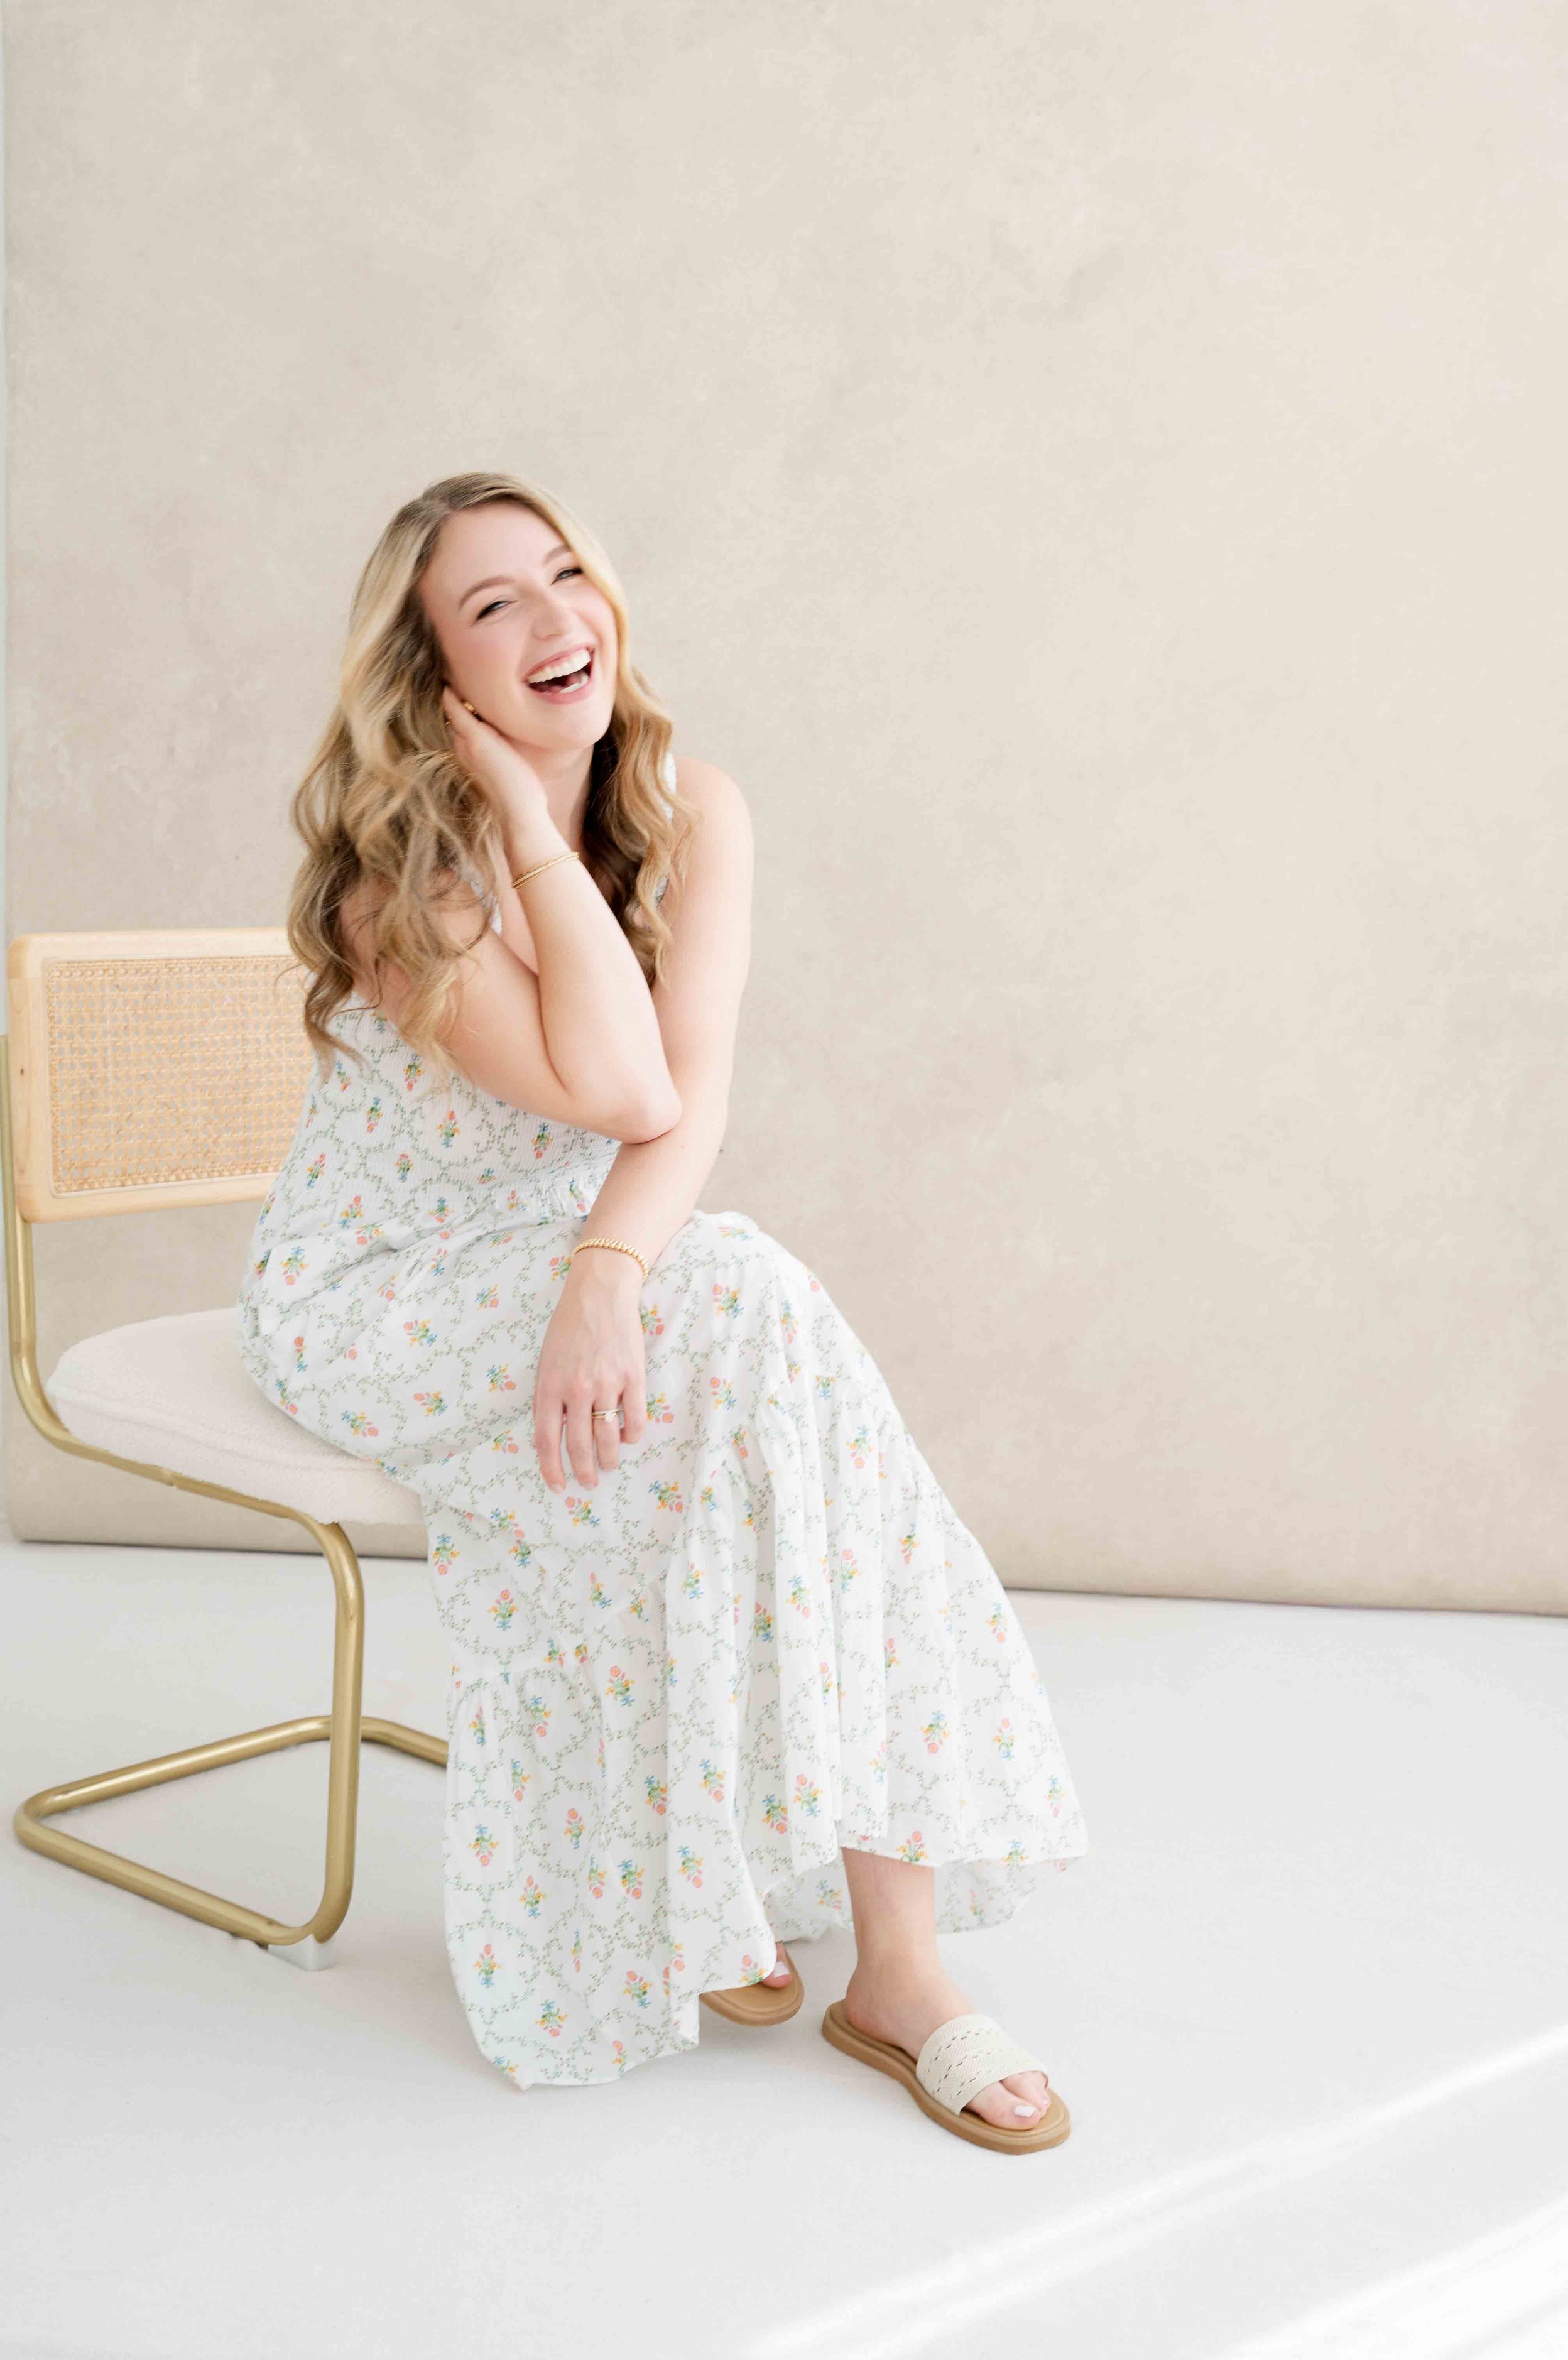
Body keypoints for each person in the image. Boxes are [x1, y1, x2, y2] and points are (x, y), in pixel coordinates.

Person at [237, 469, 1089, 2152]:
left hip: (579, 1252)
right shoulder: (394, 880)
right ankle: (819, 1938)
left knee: (772, 1359)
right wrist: (529, 831)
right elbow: (624, 1085)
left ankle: (869, 1951)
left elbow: (691, 1109)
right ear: (437, 682)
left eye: (567, 577)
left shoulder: (696, 803)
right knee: (759, 1301)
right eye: (492, 607)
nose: (558, 622)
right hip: (379, 1293)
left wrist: (605, 1280)